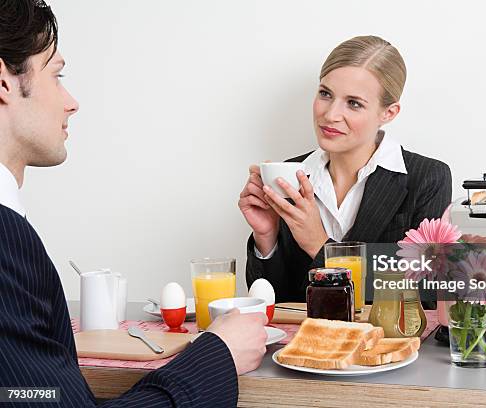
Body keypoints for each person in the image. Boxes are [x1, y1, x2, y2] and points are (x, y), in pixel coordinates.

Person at [0, 1, 266, 406]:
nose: (71, 101)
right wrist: (219, 355)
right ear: (3, 83)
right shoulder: (5, 237)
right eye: (57, 75)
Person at [240, 35, 452, 302]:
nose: (330, 115)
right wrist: (266, 237)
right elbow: (274, 304)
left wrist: (319, 245)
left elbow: (422, 294)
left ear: (389, 113)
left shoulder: (427, 178)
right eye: (325, 94)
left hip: (384, 343)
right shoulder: (289, 176)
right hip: (304, 342)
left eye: (353, 103)